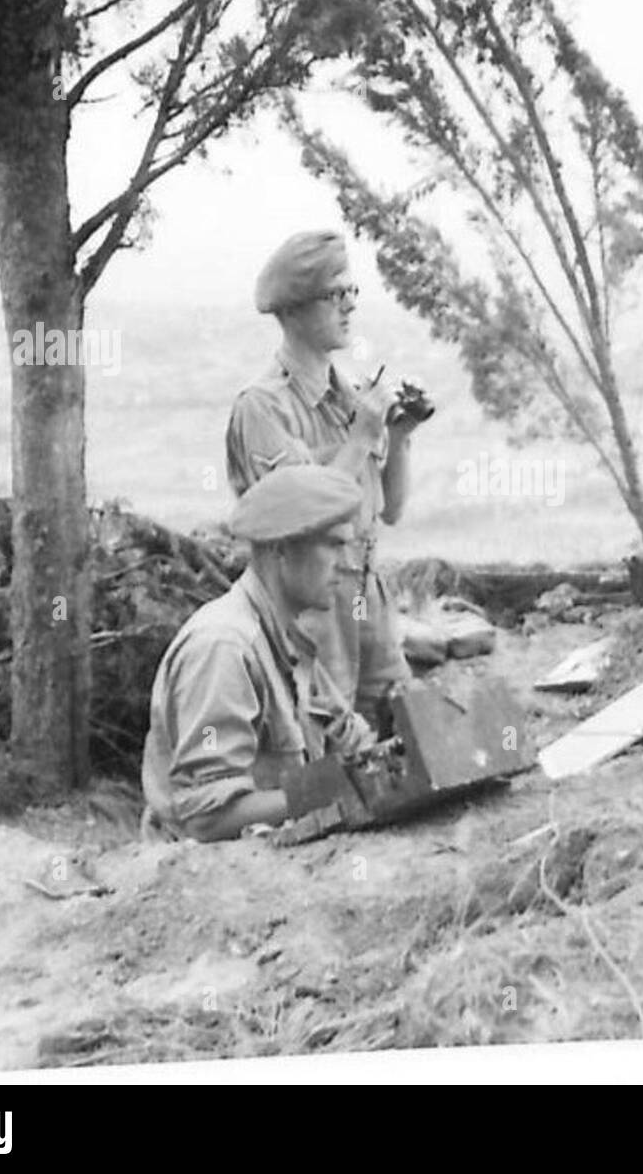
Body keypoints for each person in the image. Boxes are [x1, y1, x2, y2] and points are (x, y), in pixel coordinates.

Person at [225, 230, 418, 727]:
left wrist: (398, 437)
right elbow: (298, 521)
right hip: (312, 603)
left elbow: (390, 511)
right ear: (291, 311)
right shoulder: (263, 408)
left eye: (352, 293)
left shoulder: (351, 398)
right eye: (335, 296)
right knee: (321, 740)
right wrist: (359, 439)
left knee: (396, 731)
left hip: (366, 593)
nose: (349, 307)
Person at [141, 464, 377, 843]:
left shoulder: (285, 640)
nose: (346, 563)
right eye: (333, 544)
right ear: (282, 549)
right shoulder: (223, 647)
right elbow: (206, 820)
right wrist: (331, 792)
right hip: (210, 883)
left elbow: (350, 742)